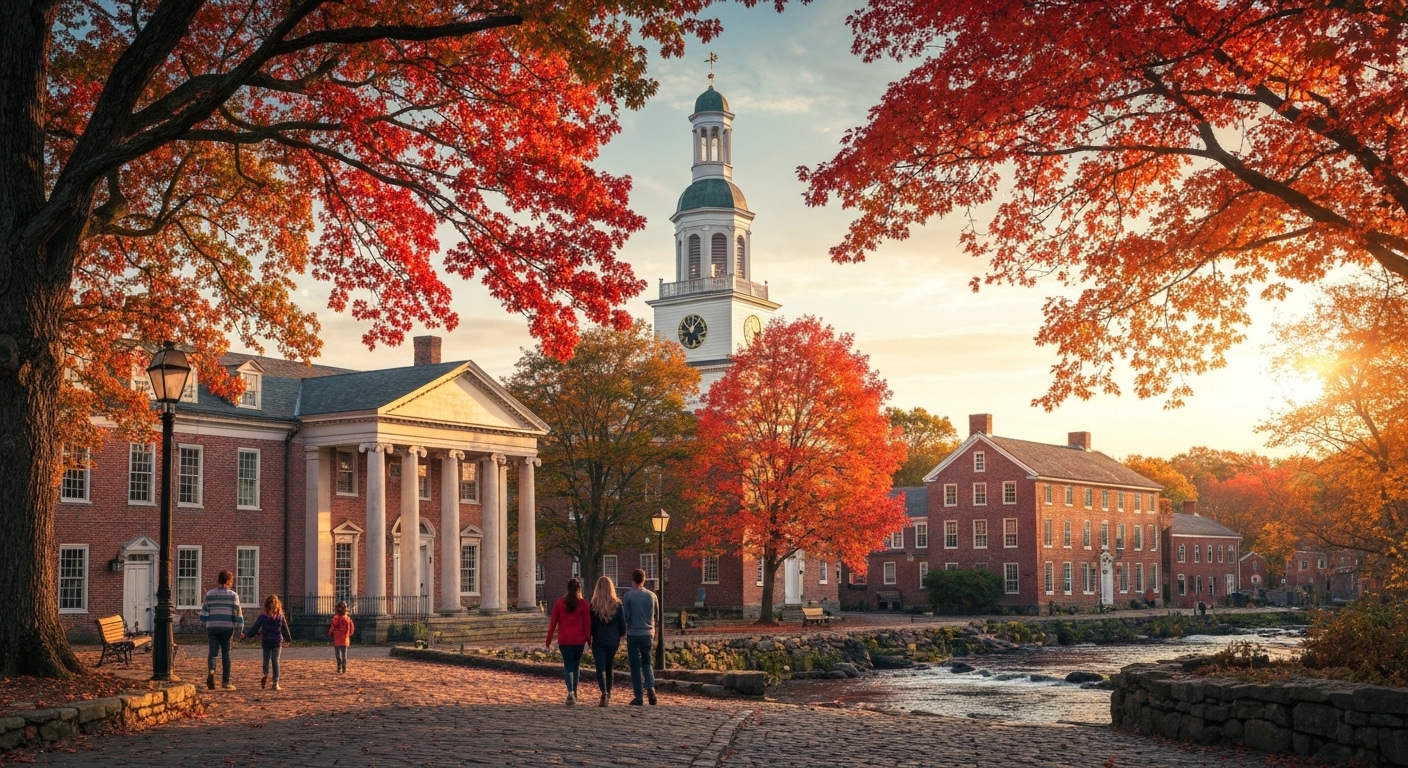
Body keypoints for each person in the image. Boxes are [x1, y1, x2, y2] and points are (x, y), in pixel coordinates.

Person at [545, 578, 591, 705]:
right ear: (579, 589)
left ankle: (570, 691)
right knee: (576, 667)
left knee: (568, 666)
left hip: (564, 640)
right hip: (579, 640)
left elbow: (552, 624)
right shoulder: (584, 604)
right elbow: (587, 624)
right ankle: (574, 692)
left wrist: (548, 641)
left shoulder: (560, 603)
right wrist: (589, 640)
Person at [199, 570, 245, 691]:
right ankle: (226, 682)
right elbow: (238, 615)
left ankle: (212, 671)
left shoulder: (209, 594)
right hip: (227, 627)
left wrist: (207, 620)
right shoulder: (233, 596)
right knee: (226, 653)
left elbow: (203, 615)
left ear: (218, 580)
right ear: (229, 581)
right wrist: (239, 631)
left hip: (212, 627)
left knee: (213, 652)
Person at [620, 568, 659, 706]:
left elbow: (625, 617)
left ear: (633, 580)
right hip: (647, 633)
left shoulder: (628, 596)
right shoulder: (652, 596)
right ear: (644, 579)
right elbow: (656, 617)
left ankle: (638, 696)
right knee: (647, 663)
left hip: (633, 634)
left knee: (635, 666)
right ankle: (651, 687)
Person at [589, 576, 626, 707]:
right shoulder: (618, 605)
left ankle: (603, 692)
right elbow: (622, 626)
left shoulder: (593, 606)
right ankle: (609, 692)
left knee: (600, 668)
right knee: (609, 667)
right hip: (613, 640)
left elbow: (591, 626)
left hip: (599, 640)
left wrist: (592, 636)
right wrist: (618, 635)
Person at [244, 594, 293, 690]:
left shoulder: (279, 617)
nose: (271, 612)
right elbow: (255, 627)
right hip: (268, 641)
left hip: (276, 642)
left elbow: (284, 628)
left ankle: (275, 682)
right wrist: (247, 634)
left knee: (274, 661)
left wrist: (288, 638)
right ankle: (266, 676)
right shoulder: (270, 616)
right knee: (268, 660)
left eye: (273, 609)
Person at [329, 602, 355, 674]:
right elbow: (352, 629)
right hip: (345, 638)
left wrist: (330, 633)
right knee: (344, 654)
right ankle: (344, 667)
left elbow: (332, 628)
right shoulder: (348, 619)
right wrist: (348, 634)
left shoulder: (335, 619)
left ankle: (338, 666)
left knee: (337, 654)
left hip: (337, 639)